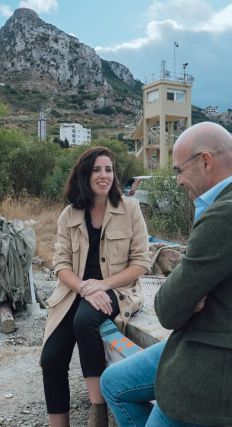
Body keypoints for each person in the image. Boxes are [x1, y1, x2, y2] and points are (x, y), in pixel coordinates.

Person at [100, 122, 232, 426]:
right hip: (209, 338)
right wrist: (187, 294)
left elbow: (167, 308)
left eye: (179, 170)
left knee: (150, 399)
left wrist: (185, 296)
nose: (177, 181)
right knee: (113, 383)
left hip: (228, 363)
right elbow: (182, 295)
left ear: (206, 161)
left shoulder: (229, 212)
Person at [41, 147, 151, 427]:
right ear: (84, 175)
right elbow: (60, 264)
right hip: (74, 292)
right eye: (97, 170)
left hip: (118, 289)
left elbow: (141, 263)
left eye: (109, 170)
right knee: (51, 358)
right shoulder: (69, 214)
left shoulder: (130, 209)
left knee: (85, 320)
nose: (104, 176)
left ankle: (98, 411)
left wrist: (102, 285)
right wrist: (84, 288)